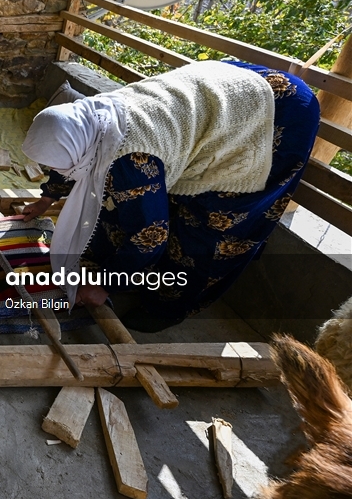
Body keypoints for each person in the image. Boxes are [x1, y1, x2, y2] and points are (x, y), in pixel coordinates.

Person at [20, 60, 319, 332]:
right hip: (220, 92)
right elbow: (69, 157)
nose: (56, 169)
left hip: (271, 115)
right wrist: (47, 198)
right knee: (122, 204)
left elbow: (150, 234)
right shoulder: (89, 120)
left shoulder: (131, 160)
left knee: (207, 231)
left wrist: (106, 286)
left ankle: (167, 308)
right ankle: (126, 270)